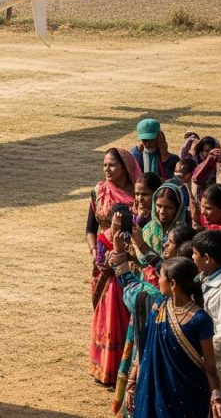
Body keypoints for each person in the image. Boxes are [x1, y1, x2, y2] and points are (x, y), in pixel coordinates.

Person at [116, 256, 221, 418]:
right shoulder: (158, 307)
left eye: (161, 277)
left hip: (187, 396)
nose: (158, 281)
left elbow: (210, 365)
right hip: (150, 390)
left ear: (172, 284)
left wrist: (216, 395)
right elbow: (145, 347)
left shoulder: (200, 320)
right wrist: (132, 380)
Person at [82, 147, 139, 385]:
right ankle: (102, 368)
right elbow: (90, 229)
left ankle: (122, 370)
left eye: (112, 165)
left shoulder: (138, 194)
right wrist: (96, 253)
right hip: (102, 264)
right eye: (104, 165)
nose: (107, 169)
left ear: (125, 168)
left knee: (124, 313)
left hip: (129, 261)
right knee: (104, 314)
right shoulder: (98, 191)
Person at [193, 231, 221, 383]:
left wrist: (202, 349)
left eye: (194, 254)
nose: (192, 257)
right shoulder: (206, 278)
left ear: (206, 258)